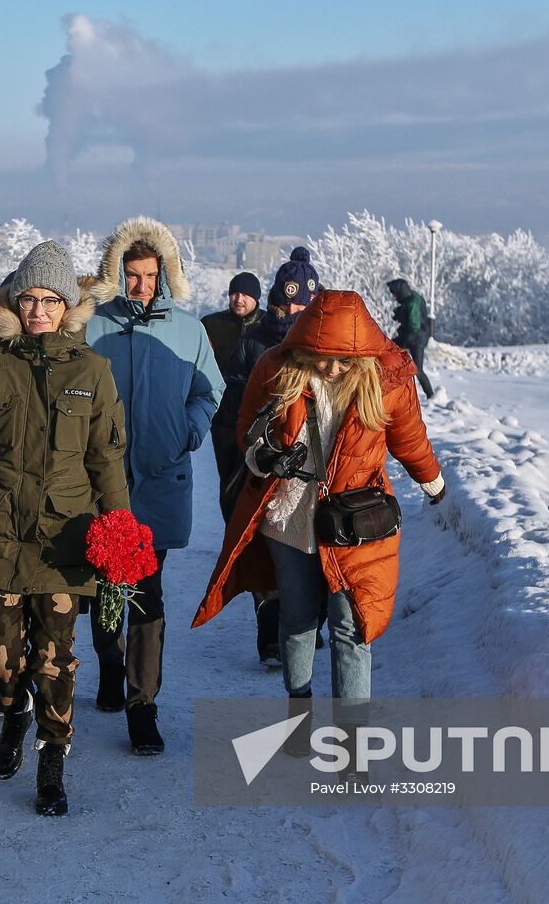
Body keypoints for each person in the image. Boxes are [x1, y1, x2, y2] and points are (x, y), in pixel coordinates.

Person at [192, 290, 445, 765]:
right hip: (289, 518)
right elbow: (248, 425)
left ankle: (353, 746)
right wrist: (261, 455)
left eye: (342, 360)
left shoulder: (386, 379)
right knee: (299, 617)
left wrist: (431, 480)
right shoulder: (276, 367)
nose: (331, 370)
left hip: (355, 522)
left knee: (352, 628)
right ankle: (299, 714)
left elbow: (409, 435)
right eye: (322, 359)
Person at [0, 240, 129, 816]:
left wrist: (120, 535)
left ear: (68, 306)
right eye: (28, 298)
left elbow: (107, 459)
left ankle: (53, 757)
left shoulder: (93, 370)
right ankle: (13, 709)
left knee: (56, 657)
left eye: (49, 300)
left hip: (64, 538)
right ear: (15, 301)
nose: (38, 310)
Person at [83, 216, 223, 755]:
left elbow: (208, 390)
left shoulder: (188, 331)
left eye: (150, 275)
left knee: (146, 592)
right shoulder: (92, 325)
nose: (141, 285)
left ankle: (144, 707)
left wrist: (187, 430)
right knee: (103, 589)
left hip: (161, 480)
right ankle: (111, 667)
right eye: (131, 275)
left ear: (166, 274)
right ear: (116, 275)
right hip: (104, 483)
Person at [220, 250, 322, 664]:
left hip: (314, 469)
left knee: (310, 552)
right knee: (265, 550)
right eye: (289, 301)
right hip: (266, 465)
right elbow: (236, 407)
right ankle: (269, 640)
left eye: (304, 304)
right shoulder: (257, 341)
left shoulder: (324, 342)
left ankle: (307, 630)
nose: (295, 311)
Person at [201, 270, 262, 516]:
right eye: (235, 293)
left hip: (259, 418)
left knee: (255, 479)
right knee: (228, 481)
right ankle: (231, 535)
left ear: (257, 298)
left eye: (246, 294)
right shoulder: (212, 325)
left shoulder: (266, 328)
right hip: (225, 418)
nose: (239, 299)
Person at [386, 277, 435, 399]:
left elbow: (413, 327)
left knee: (418, 370)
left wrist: (402, 343)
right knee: (389, 351)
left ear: (400, 292)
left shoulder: (412, 303)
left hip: (415, 339)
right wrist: (401, 312)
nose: (394, 297)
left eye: (394, 293)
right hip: (416, 337)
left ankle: (431, 395)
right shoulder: (413, 297)